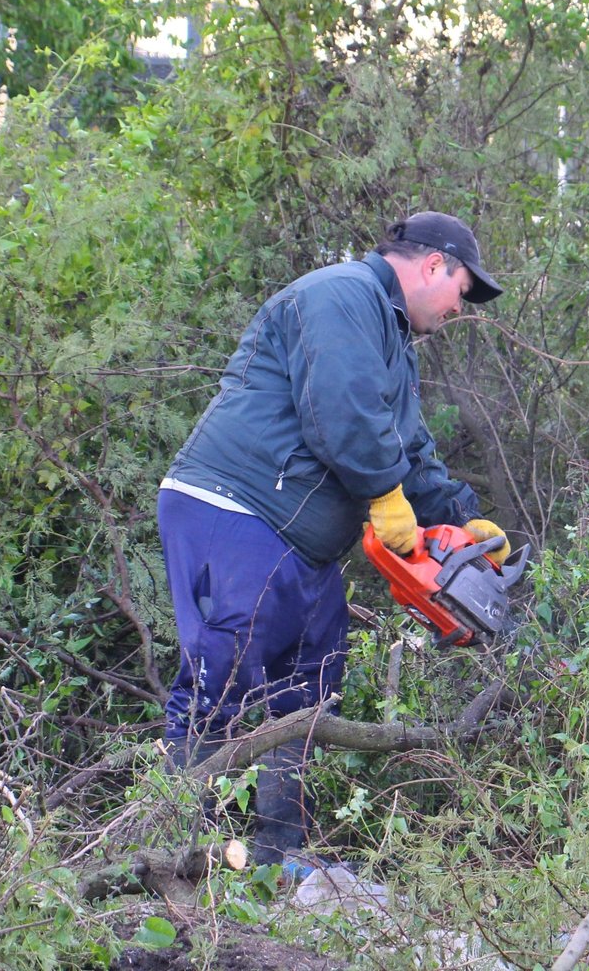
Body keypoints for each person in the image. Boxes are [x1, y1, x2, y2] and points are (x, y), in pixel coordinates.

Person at [156, 210, 512, 870]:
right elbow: (341, 408)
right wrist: (383, 494)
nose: (460, 308)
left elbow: (410, 449)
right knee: (223, 675)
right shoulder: (343, 295)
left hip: (300, 541)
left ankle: (278, 861)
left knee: (310, 689)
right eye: (463, 290)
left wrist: (463, 522)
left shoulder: (393, 341)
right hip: (234, 507)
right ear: (434, 264)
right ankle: (178, 858)